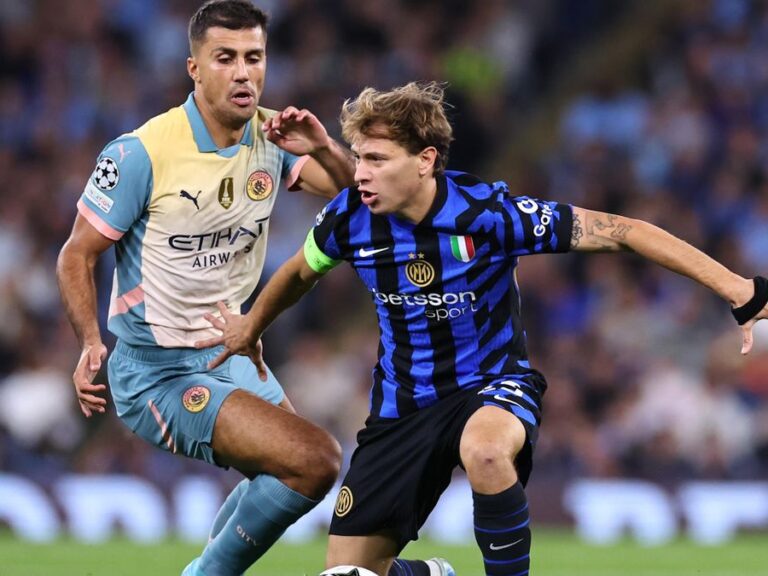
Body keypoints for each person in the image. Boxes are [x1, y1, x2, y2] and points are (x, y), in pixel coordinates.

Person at [195, 81, 768, 576]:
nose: (359, 173)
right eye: (359, 158)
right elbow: (300, 271)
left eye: (376, 159)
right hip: (401, 409)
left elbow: (624, 231)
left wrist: (739, 290)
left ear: (425, 160)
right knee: (350, 573)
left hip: (492, 386)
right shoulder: (349, 218)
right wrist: (250, 325)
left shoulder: (487, 214)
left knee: (486, 451)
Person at [56, 2, 358, 575]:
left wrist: (322, 147)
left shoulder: (274, 136)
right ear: (193, 68)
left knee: (295, 468)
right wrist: (90, 341)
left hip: (230, 350)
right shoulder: (142, 152)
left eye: (254, 57)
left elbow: (356, 201)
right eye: (225, 58)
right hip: (157, 372)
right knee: (314, 459)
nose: (243, 73)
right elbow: (76, 253)